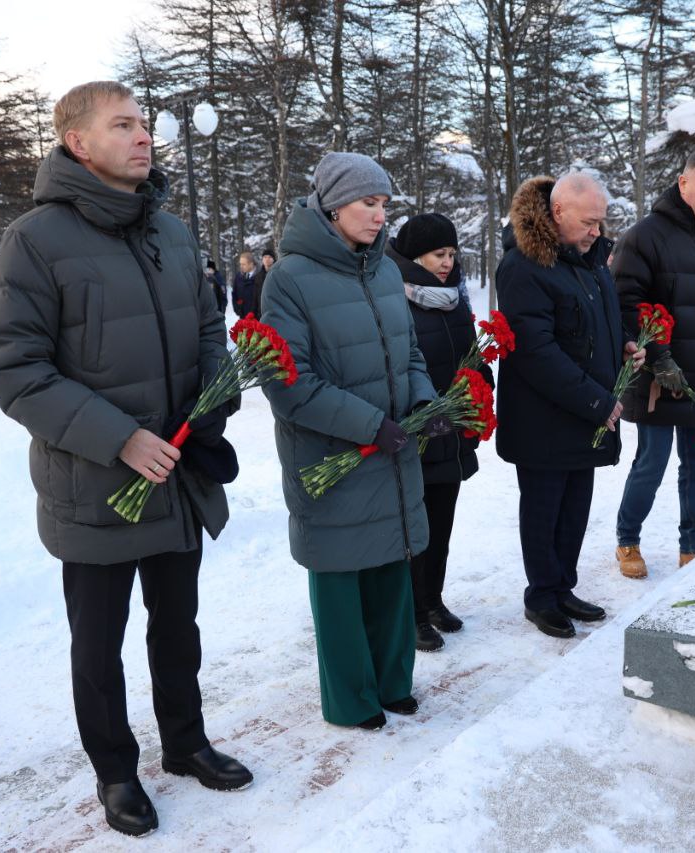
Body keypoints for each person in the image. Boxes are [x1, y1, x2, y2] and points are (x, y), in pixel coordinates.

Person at [0, 81, 251, 838]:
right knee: (99, 644)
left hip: (178, 473)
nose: (143, 137)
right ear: (79, 142)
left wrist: (213, 401)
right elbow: (14, 368)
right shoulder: (35, 241)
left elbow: (208, 327)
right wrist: (119, 438)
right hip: (95, 482)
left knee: (178, 625)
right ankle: (117, 772)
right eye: (123, 125)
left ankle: (186, 743)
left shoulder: (172, 232)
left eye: (143, 125)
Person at [261, 152, 445, 731]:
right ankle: (351, 700)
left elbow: (410, 353)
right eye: (368, 203)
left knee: (391, 569)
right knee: (342, 582)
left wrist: (422, 401)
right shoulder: (289, 279)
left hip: (392, 452)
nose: (379, 214)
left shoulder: (385, 271)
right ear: (333, 207)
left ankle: (393, 682)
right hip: (334, 457)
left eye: (384, 203)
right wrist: (370, 425)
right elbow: (289, 383)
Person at [496, 171, 643, 637]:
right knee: (544, 510)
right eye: (588, 222)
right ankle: (542, 596)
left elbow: (596, 322)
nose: (597, 231)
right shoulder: (524, 266)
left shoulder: (588, 260)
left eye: (601, 221)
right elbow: (536, 351)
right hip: (544, 417)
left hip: (584, 413)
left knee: (575, 508)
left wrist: (624, 343)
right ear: (557, 212)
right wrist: (596, 400)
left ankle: (563, 587)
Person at [610, 150, 695, 580]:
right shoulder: (644, 237)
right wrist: (658, 358)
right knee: (652, 463)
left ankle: (694, 543)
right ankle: (628, 538)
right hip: (658, 376)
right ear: (683, 183)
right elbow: (626, 304)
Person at [388, 212, 483, 652]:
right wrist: (424, 410)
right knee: (415, 527)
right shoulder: (396, 298)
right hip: (419, 428)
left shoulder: (454, 298)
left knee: (442, 522)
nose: (447, 263)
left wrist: (480, 385)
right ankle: (410, 612)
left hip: (452, 426)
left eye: (451, 254)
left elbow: (469, 352)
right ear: (415, 256)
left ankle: (433, 601)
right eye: (438, 254)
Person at [230, 252, 256, 317]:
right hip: (243, 316)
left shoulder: (260, 277)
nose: (241, 266)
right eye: (240, 264)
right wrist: (237, 309)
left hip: (257, 318)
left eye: (244, 264)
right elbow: (234, 294)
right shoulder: (238, 277)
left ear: (251, 264)